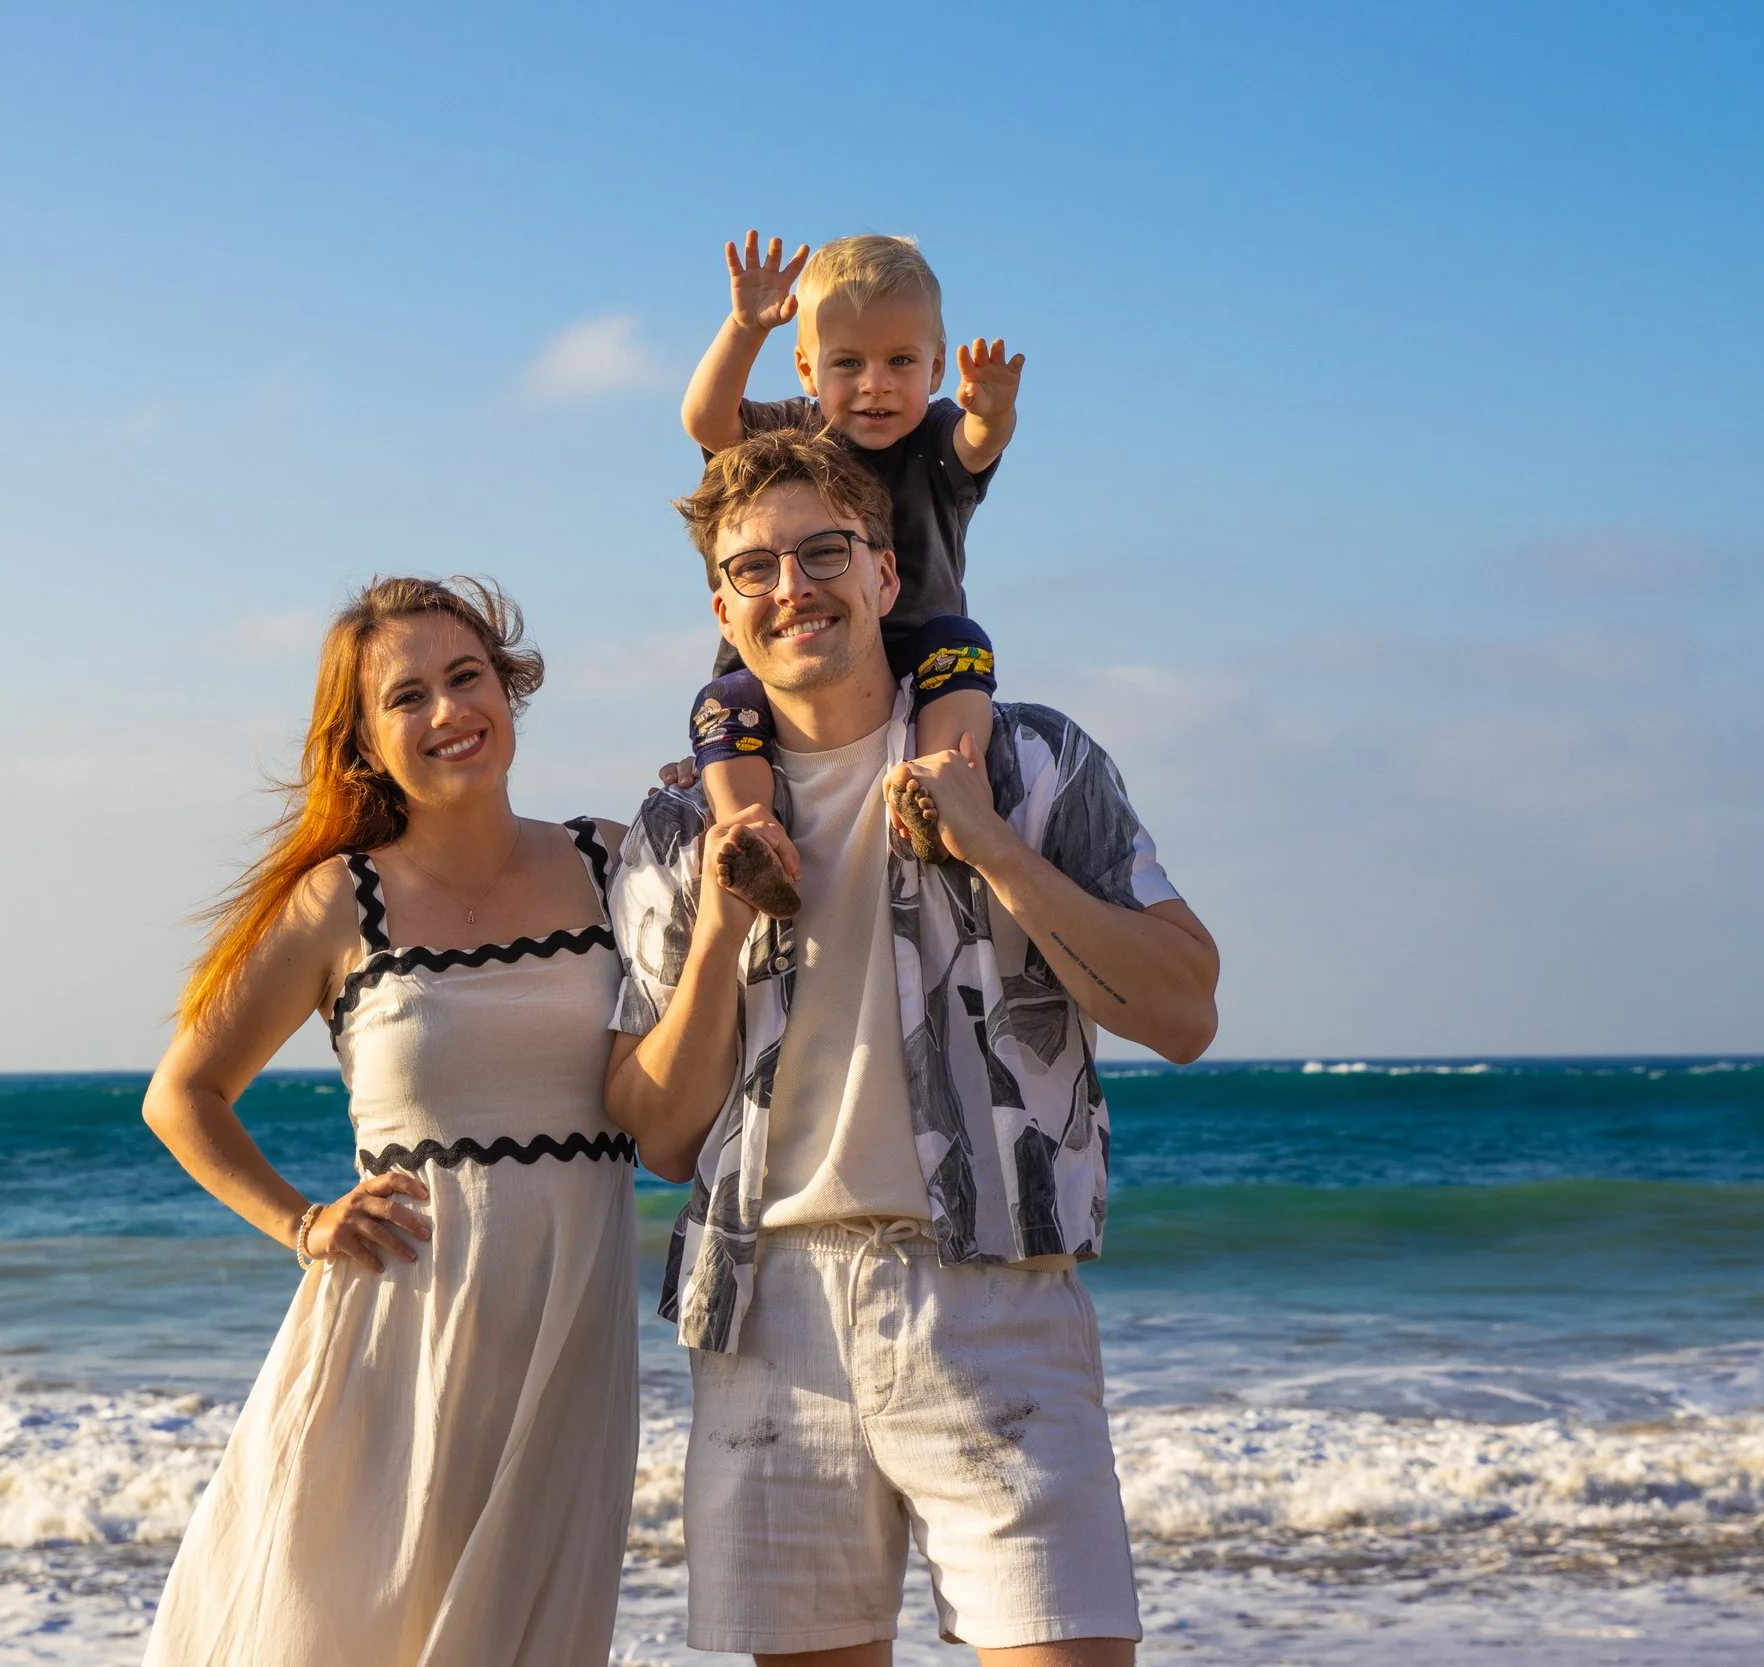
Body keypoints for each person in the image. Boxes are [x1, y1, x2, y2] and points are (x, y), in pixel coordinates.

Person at [604, 431, 1220, 1665]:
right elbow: (659, 1134)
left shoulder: (1029, 759)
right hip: (768, 1319)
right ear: (721, 606)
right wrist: (726, 916)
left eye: (823, 551)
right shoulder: (680, 824)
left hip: (996, 1295)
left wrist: (991, 842)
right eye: (755, 567)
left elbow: (1185, 1011)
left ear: (887, 574)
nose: (793, 586)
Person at [140, 576, 637, 1667]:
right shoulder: (337, 899)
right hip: (389, 1341)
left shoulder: (617, 861)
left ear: (509, 688)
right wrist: (302, 1222)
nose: (449, 711)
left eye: (467, 677)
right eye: (406, 697)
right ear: (365, 741)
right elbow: (181, 1094)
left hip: (567, 1346)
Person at [678, 229, 1025, 917]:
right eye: (848, 363)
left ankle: (938, 791)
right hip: (792, 653)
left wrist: (992, 409)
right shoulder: (794, 434)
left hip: (915, 649)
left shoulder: (935, 438)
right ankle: (754, 838)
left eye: (900, 361)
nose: (875, 384)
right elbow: (706, 419)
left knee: (964, 646)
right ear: (807, 370)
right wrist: (747, 330)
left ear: (933, 373)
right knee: (724, 706)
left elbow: (977, 443)